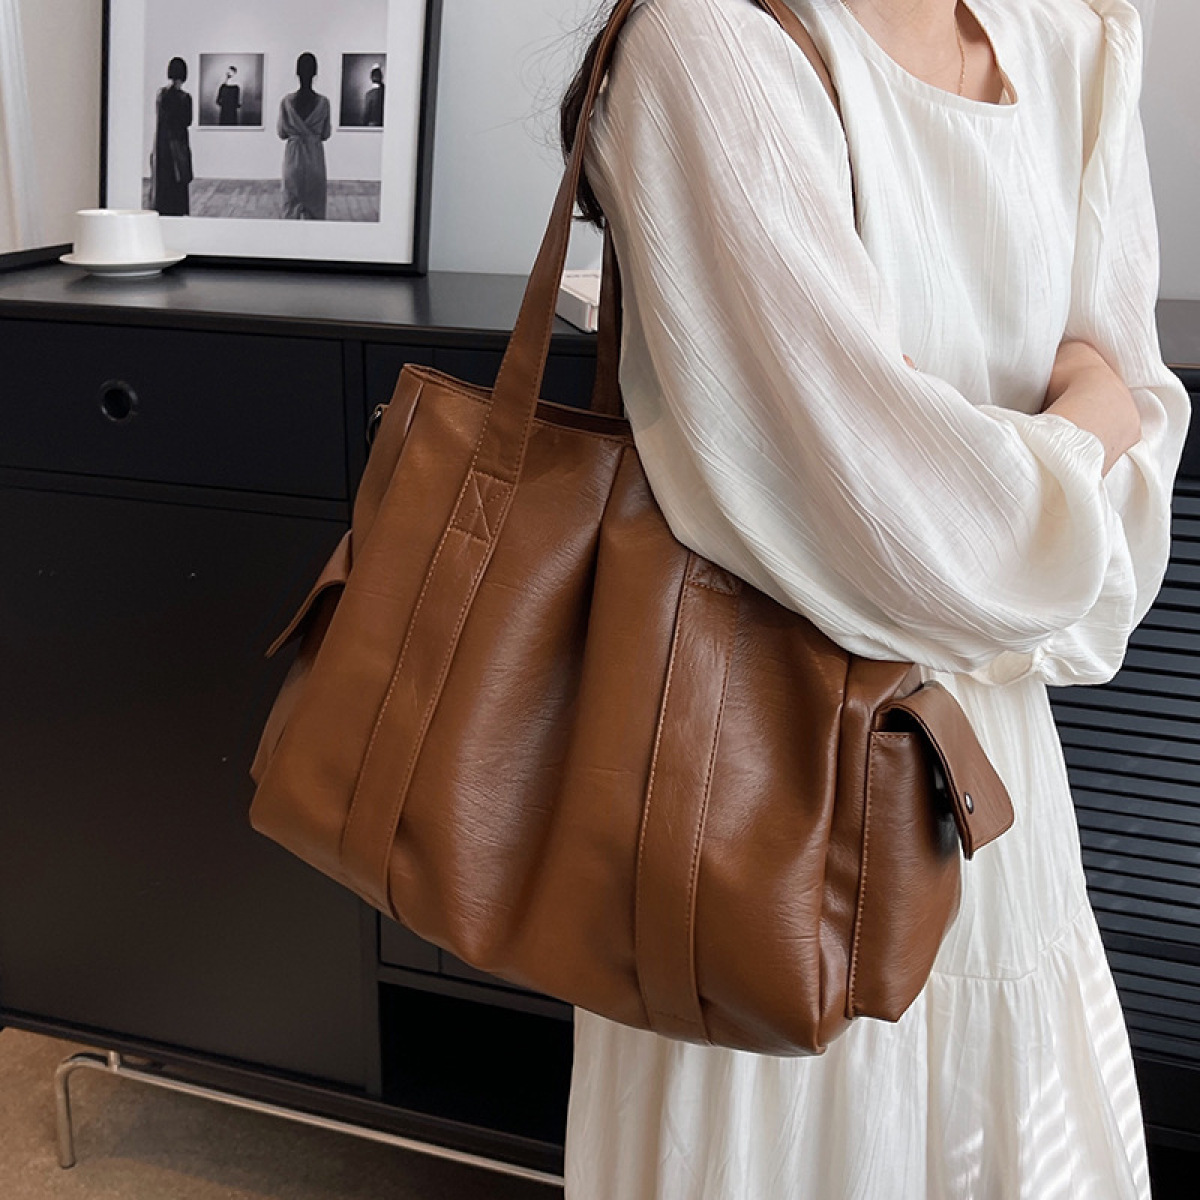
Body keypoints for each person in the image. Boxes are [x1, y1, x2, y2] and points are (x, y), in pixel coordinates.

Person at [557, 0, 1190, 1197]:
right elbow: (898, 527)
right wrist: (1084, 421)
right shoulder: (708, 44)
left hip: (999, 815)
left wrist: (995, 464)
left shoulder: (1077, 38)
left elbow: (1122, 527)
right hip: (750, 816)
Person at [277, 52, 331, 219]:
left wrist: (296, 131)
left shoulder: (286, 102)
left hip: (293, 159)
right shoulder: (323, 103)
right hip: (315, 159)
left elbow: (281, 133)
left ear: (297, 73)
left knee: (290, 210)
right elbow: (326, 134)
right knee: (316, 212)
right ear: (315, 74)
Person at [149, 56, 193, 216]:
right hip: (178, 145)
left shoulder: (161, 95)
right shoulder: (185, 98)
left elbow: (161, 120)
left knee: (164, 182)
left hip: (162, 146)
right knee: (179, 181)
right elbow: (188, 121)